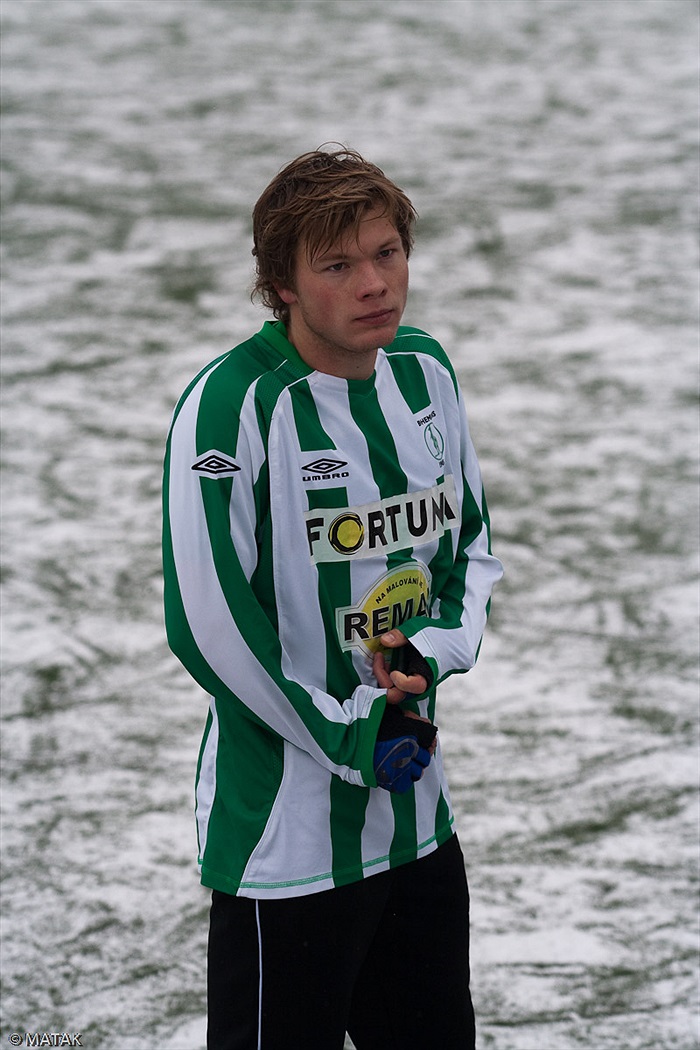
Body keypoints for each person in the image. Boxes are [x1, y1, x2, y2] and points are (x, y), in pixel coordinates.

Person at [162, 146, 503, 1050]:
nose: (374, 284)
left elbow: (469, 548)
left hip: (417, 821)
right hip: (286, 843)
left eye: (387, 252)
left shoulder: (427, 374)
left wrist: (428, 655)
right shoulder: (229, 406)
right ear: (280, 283)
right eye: (338, 264)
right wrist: (351, 733)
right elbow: (208, 625)